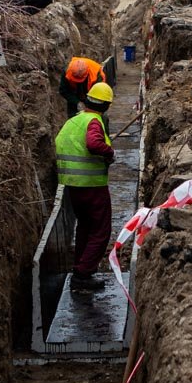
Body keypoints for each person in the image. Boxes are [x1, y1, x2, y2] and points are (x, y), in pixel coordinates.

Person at [54, 81, 116, 292]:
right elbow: (93, 144)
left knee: (85, 228)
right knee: (100, 230)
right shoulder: (94, 121)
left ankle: (80, 265)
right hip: (92, 186)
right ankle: (82, 275)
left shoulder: (74, 121)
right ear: (106, 105)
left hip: (74, 186)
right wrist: (109, 152)